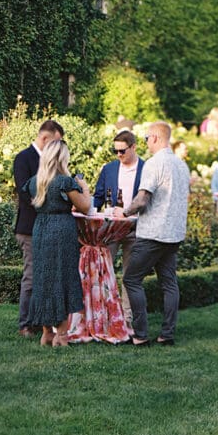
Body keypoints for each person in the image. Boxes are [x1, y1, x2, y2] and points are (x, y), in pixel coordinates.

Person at [121, 121, 190, 346]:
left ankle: (140, 335)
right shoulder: (181, 165)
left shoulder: (153, 164)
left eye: (146, 138)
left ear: (156, 138)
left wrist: (124, 212)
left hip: (153, 233)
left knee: (131, 279)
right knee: (169, 283)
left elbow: (142, 199)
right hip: (174, 234)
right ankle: (167, 334)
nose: (145, 143)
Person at [25, 139, 92, 346]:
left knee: (44, 278)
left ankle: (47, 333)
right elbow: (84, 207)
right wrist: (85, 188)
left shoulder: (35, 181)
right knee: (62, 277)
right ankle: (62, 335)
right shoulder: (65, 181)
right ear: (62, 158)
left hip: (41, 228)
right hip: (62, 229)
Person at [12, 118, 64, 337]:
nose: (58, 147)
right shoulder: (24, 158)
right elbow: (24, 192)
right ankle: (26, 323)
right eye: (55, 142)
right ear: (45, 138)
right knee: (32, 276)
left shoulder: (54, 160)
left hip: (50, 226)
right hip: (30, 227)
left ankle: (44, 322)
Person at [92, 129, 145, 325]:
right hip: (112, 229)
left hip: (135, 228)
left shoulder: (145, 169)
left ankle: (127, 319)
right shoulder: (109, 169)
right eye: (116, 151)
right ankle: (104, 316)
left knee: (130, 276)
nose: (119, 155)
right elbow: (98, 198)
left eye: (123, 151)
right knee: (105, 271)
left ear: (133, 147)